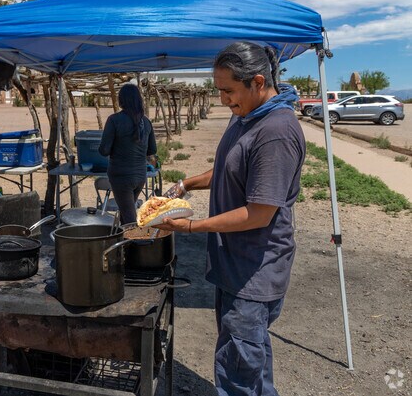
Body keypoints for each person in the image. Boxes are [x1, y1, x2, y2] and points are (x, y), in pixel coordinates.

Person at [158, 41, 305, 396]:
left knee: (239, 372)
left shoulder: (275, 131)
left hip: (254, 271)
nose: (223, 99)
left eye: (228, 91)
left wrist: (191, 227)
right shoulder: (246, 117)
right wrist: (186, 183)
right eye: (219, 90)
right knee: (248, 362)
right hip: (234, 266)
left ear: (257, 81)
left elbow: (259, 213)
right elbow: (228, 168)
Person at [98, 83, 157, 225]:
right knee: (126, 214)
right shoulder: (146, 122)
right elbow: (152, 150)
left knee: (130, 220)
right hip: (140, 176)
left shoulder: (114, 120)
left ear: (121, 100)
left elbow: (104, 150)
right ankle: (125, 246)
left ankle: (141, 244)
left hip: (121, 177)